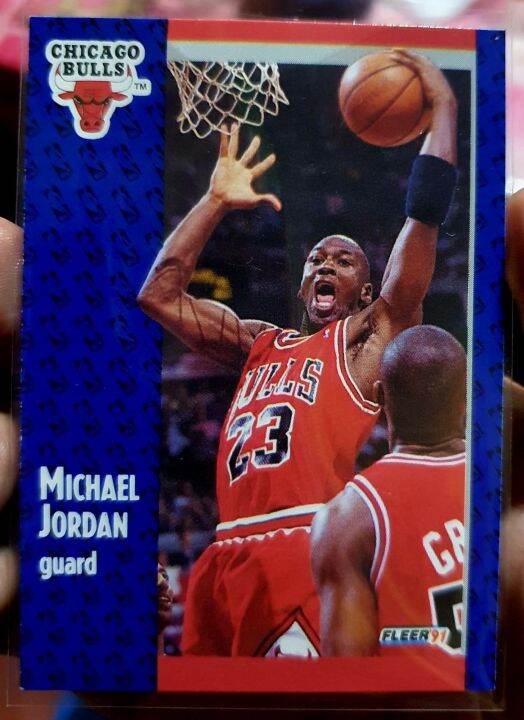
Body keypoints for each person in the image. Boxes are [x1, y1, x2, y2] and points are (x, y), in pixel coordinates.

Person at [137, 49, 458, 656]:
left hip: (303, 544)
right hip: (222, 556)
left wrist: (442, 106)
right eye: (316, 259)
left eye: (344, 259)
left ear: (365, 291)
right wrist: (214, 201)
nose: (326, 263)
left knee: (295, 697)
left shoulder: (364, 339)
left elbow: (422, 219)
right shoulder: (258, 342)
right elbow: (158, 295)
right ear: (303, 285)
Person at [310, 326, 466, 688]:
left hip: (419, 704)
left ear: (380, 395)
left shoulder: (346, 518)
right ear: (465, 394)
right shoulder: (505, 486)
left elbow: (346, 681)